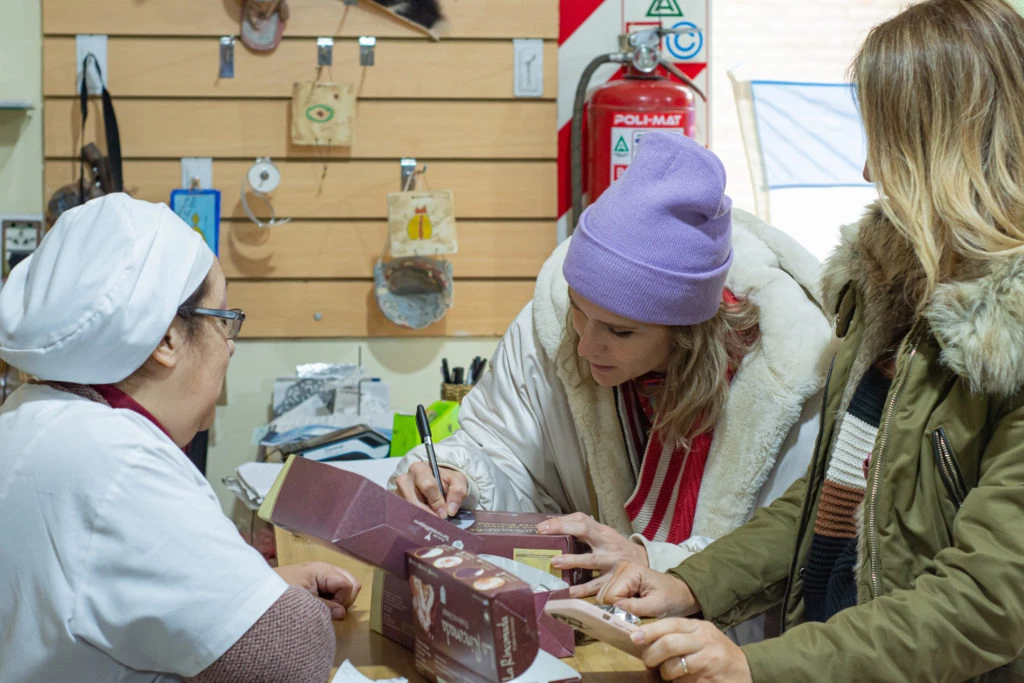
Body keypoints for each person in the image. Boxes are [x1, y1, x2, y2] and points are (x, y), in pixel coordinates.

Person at [593, 0, 1024, 680]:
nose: (866, 170)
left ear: (948, 145)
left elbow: (988, 600)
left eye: (887, 141)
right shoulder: (891, 293)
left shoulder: (1011, 342)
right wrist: (695, 584)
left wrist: (765, 666)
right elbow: (835, 491)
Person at [391, 131, 835, 640]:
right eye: (580, 313)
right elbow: (509, 456)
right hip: (582, 639)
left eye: (621, 332)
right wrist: (457, 473)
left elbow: (776, 553)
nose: (585, 347)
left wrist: (659, 562)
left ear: (688, 335)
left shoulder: (789, 379)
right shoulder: (550, 321)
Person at [0, 194, 360, 682]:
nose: (230, 346)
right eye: (224, 320)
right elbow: (288, 655)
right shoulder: (113, 461)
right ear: (168, 338)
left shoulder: (32, 415)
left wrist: (254, 590)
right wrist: (285, 607)